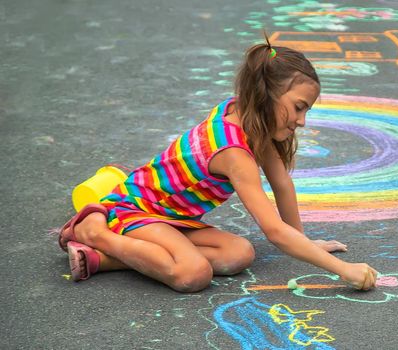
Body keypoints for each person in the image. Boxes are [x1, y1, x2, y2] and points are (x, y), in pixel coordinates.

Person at [57, 41, 379, 292]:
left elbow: (282, 184)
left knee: (239, 254)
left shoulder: (246, 116)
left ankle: (103, 260)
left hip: (170, 218)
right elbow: (274, 231)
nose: (303, 121)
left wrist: (306, 243)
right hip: (136, 210)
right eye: (298, 107)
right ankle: (93, 232)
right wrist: (343, 271)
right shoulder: (233, 152)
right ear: (266, 94)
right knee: (192, 273)